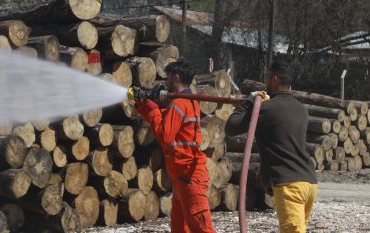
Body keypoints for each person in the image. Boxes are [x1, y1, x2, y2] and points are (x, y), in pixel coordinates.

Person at [225, 61, 317, 233]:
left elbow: (231, 126)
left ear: (275, 79)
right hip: (309, 182)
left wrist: (249, 102)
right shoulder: (301, 109)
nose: (265, 82)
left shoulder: (265, 110)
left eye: (267, 77)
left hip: (289, 184)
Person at [135, 61, 216, 233]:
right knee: (180, 229)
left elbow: (165, 135)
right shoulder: (189, 101)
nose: (166, 81)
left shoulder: (179, 103)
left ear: (176, 77)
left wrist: (152, 110)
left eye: (168, 77)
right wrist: (146, 106)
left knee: (202, 229)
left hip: (189, 176)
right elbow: (170, 121)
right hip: (182, 176)